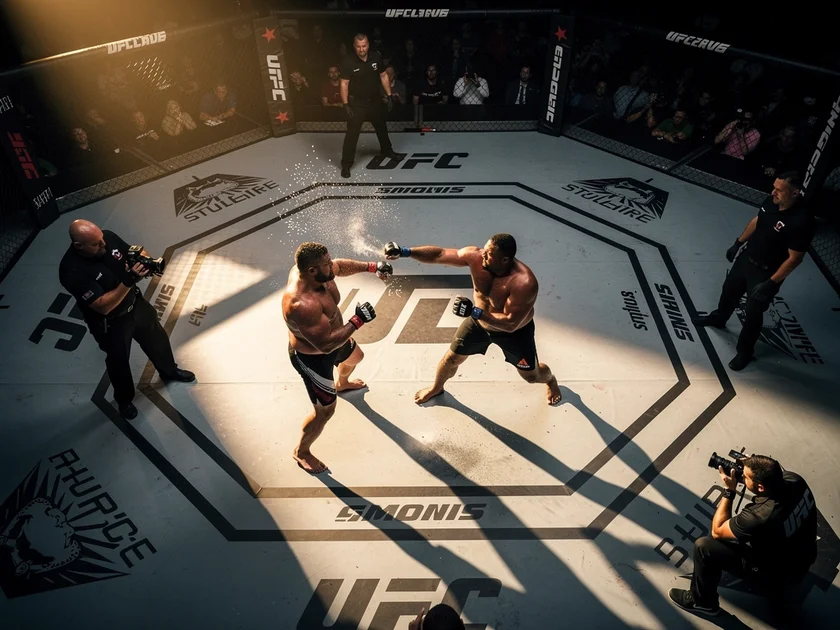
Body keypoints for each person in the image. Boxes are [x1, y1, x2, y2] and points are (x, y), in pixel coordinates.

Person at [383, 233, 562, 405]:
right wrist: (405, 251)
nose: (482, 254)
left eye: (489, 253)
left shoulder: (524, 282)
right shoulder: (476, 257)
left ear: (504, 260)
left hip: (514, 333)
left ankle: (551, 381)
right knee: (451, 359)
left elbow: (510, 323)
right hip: (478, 324)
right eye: (484, 249)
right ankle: (437, 388)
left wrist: (475, 312)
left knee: (532, 376)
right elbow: (440, 254)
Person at [58, 220, 195, 420]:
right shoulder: (71, 270)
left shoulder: (107, 238)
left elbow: (136, 252)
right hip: (111, 323)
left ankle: (169, 371)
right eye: (96, 244)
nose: (104, 245)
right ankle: (124, 400)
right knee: (118, 361)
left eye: (102, 240)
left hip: (136, 304)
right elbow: (103, 305)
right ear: (79, 246)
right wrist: (129, 280)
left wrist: (145, 261)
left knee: (157, 338)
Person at [282, 242, 392, 473]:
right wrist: (357, 321)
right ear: (312, 271)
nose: (332, 266)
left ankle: (342, 384)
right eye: (326, 264)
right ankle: (301, 451)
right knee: (325, 412)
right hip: (313, 358)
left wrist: (373, 267)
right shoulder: (300, 303)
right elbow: (325, 343)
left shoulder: (321, 272)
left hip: (336, 340)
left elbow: (340, 266)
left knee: (356, 358)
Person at [692, 172, 815, 370]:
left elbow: (795, 259)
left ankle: (745, 352)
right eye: (774, 187)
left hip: (766, 273)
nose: (773, 192)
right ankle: (718, 318)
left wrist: (771, 283)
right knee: (729, 290)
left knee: (753, 312)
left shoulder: (802, 221)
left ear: (795, 193)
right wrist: (738, 243)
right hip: (746, 259)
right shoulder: (772, 200)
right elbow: (758, 220)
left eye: (779, 190)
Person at [668, 455, 817, 617]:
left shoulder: (759, 516)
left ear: (760, 488)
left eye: (745, 477)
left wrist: (729, 491)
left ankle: (703, 602)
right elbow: (772, 470)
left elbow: (717, 531)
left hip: (774, 574)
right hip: (803, 557)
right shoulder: (795, 480)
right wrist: (752, 465)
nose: (741, 477)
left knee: (704, 547)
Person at [339, 33, 404, 178]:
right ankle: (346, 164)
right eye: (358, 46)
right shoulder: (348, 62)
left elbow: (383, 75)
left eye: (364, 46)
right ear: (354, 46)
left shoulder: (376, 57)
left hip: (374, 100)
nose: (362, 49)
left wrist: (389, 95)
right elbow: (344, 83)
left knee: (381, 126)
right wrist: (346, 105)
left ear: (368, 44)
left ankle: (387, 150)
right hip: (357, 103)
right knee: (352, 134)